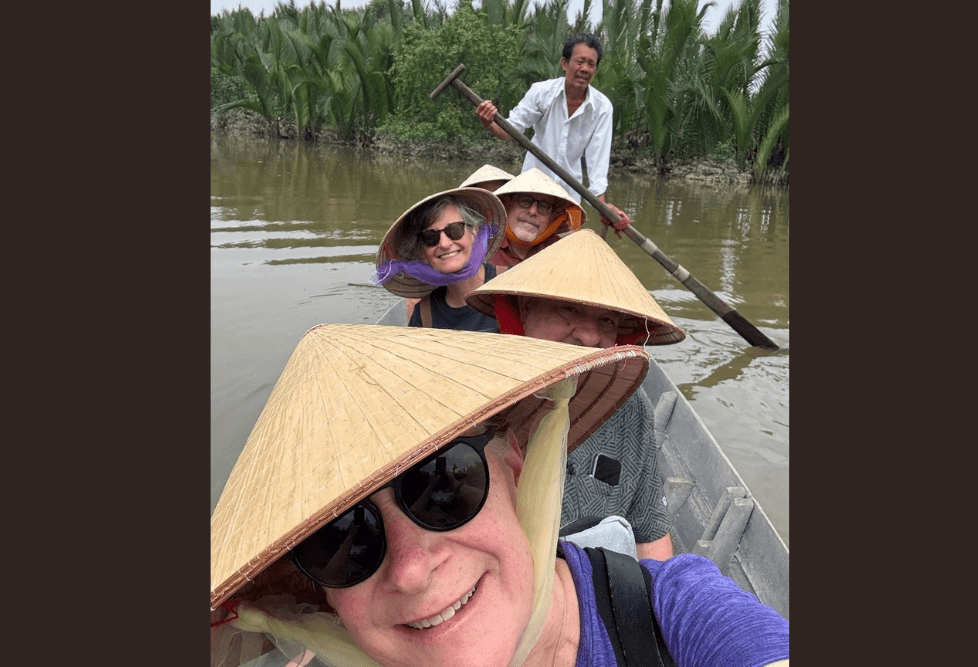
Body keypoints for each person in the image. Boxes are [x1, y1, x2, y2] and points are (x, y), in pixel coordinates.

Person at [210, 324, 789, 667]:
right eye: (339, 541)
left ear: (516, 466)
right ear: (324, 597)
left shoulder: (679, 615)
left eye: (444, 485)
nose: (411, 570)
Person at [465, 228, 687, 561]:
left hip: (591, 589)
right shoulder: (474, 393)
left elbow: (649, 534)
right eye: (568, 310)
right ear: (525, 308)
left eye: (606, 319)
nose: (589, 336)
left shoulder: (628, 404)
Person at [475, 33, 631, 237]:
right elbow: (508, 132)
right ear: (565, 63)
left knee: (562, 255)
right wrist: (488, 123)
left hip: (568, 198)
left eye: (591, 64)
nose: (585, 69)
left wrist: (602, 206)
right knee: (520, 248)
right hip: (530, 192)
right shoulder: (542, 93)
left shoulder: (601, 108)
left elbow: (597, 161)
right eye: (580, 61)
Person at [372, 187, 506, 331]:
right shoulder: (424, 313)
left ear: (474, 231)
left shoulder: (511, 285)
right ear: (422, 253)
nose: (444, 244)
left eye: (455, 230)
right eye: (430, 237)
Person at [490, 168, 586, 267]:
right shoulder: (481, 246)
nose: (533, 211)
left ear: (552, 217)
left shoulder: (561, 253)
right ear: (508, 205)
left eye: (544, 206)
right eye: (525, 201)